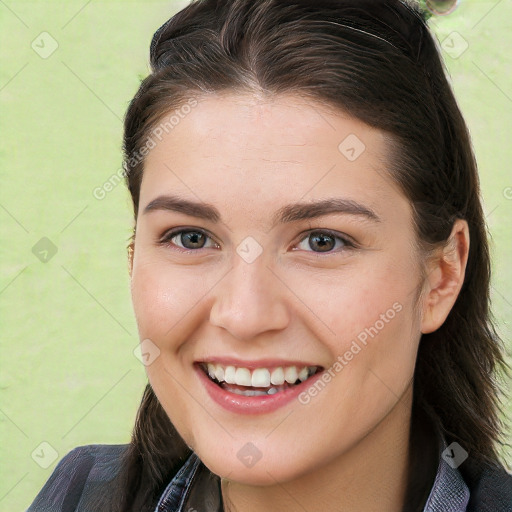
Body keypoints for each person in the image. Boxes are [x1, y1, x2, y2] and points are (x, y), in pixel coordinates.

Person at [27, 0, 512, 511]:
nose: (244, 315)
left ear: (441, 276)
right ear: (133, 258)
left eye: (322, 241)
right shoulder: (81, 494)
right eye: (191, 237)